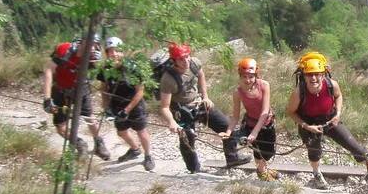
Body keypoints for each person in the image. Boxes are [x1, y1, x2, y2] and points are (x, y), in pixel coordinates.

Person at [286, 51, 368, 193]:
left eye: (317, 74)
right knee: (314, 152)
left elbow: (338, 96)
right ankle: (317, 174)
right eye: (309, 74)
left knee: (355, 148)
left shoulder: (331, 85)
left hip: (330, 120)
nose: (313, 78)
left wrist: (337, 113)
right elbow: (291, 112)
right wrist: (306, 126)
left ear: (323, 74)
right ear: (303, 75)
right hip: (310, 124)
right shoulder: (298, 92)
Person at [157, 42, 250, 173]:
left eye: (187, 56)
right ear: (174, 61)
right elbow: (164, 107)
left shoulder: (194, 63)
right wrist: (172, 122)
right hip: (182, 110)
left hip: (199, 104)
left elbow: (201, 75)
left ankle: (232, 158)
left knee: (227, 126)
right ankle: (194, 170)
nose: (186, 61)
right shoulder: (168, 79)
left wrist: (205, 96)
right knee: (187, 139)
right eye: (181, 59)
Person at [42, 34, 109, 159]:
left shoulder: (94, 58)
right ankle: (79, 143)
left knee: (89, 117)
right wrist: (47, 99)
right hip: (60, 90)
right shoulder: (63, 50)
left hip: (81, 89)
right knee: (61, 126)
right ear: (82, 42)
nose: (92, 48)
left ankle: (99, 143)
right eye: (90, 44)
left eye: (95, 45)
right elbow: (49, 70)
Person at [96, 37, 155, 172]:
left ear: (122, 52)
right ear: (107, 53)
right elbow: (104, 88)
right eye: (111, 51)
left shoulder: (132, 67)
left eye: (117, 51)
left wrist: (128, 109)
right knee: (121, 132)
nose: (114, 54)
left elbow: (140, 91)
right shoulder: (105, 68)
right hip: (116, 103)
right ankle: (135, 149)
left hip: (135, 104)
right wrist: (105, 106)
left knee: (141, 131)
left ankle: (148, 155)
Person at [221, 57, 278, 182]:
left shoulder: (264, 85)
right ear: (240, 76)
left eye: (251, 77)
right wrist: (228, 132)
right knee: (258, 151)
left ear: (256, 76)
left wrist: (255, 133)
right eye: (244, 77)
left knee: (269, 152)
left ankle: (264, 168)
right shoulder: (238, 93)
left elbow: (264, 111)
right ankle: (262, 173)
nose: (247, 80)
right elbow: (235, 116)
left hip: (266, 123)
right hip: (251, 123)